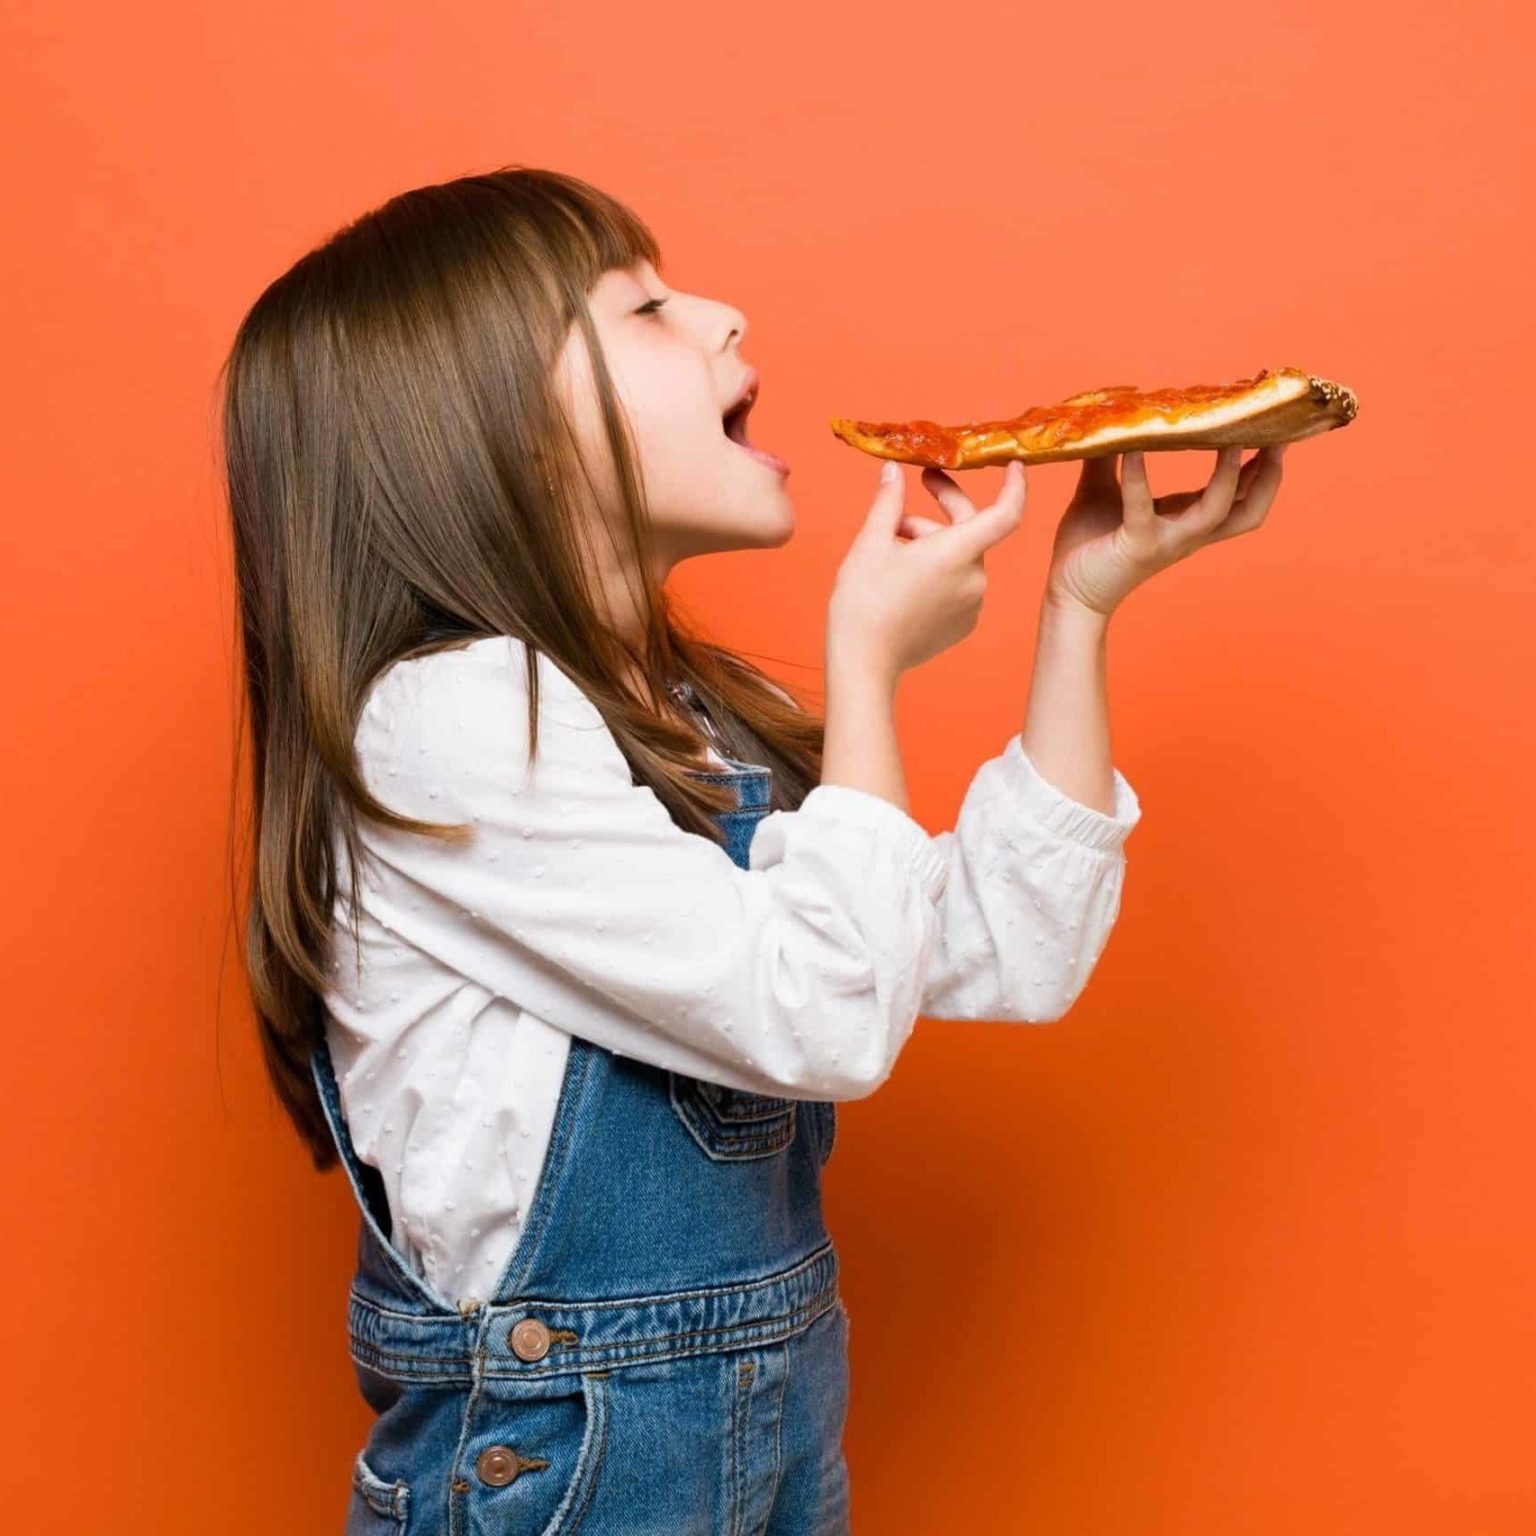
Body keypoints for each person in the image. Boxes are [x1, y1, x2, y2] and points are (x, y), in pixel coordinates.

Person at [217, 164, 1285, 1535]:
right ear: (488, 429)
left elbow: (999, 949)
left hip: (765, 1431)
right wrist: (867, 658)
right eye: (648, 307)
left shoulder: (684, 720)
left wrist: (1077, 610)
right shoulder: (452, 718)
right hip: (570, 1463)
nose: (724, 314)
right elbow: (823, 1016)